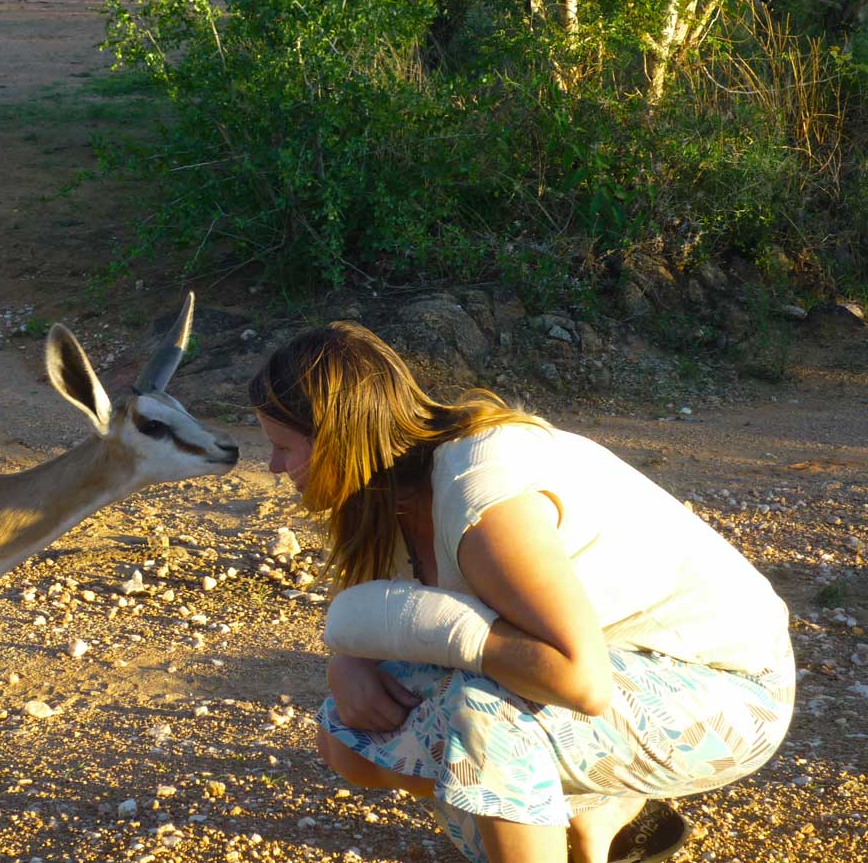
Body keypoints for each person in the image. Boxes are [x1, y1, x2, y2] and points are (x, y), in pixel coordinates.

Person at [248, 321, 794, 863]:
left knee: (484, 717)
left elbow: (580, 681)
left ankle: (591, 809)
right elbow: (382, 627)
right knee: (348, 736)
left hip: (732, 692)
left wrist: (454, 635)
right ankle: (599, 810)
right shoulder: (384, 498)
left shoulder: (479, 495)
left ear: (339, 437)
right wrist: (350, 665)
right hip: (624, 671)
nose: (274, 468)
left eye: (284, 448)